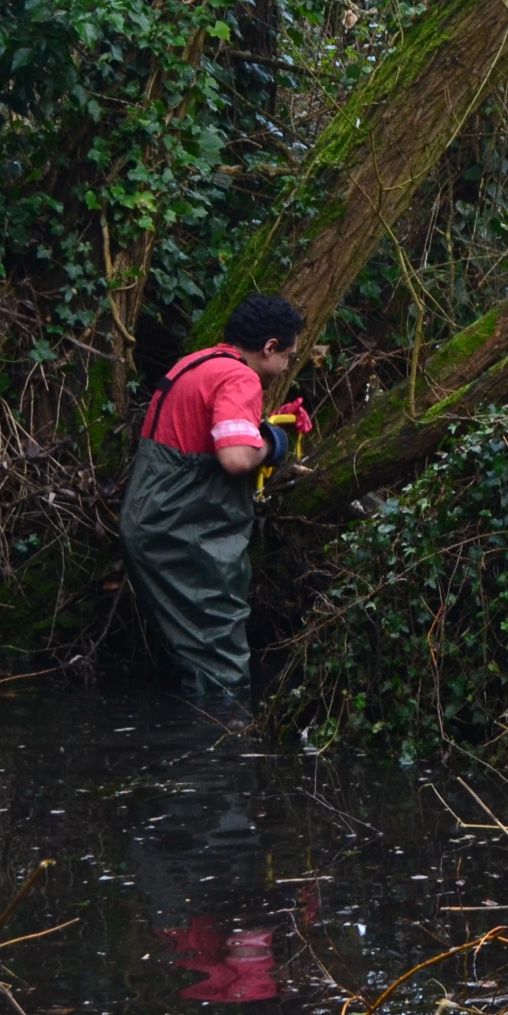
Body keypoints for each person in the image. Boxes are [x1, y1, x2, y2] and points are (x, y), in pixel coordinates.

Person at [120, 294, 312, 708]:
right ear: (269, 348)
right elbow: (236, 457)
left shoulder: (198, 363)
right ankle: (221, 757)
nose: (286, 367)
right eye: (289, 357)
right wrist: (274, 443)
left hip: (152, 522)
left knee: (192, 655)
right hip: (184, 532)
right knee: (220, 663)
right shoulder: (239, 379)